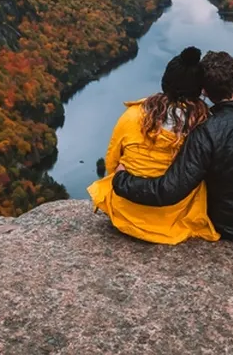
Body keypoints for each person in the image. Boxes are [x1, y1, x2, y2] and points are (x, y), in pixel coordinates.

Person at [113, 50, 233, 242]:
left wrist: (121, 181)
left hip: (229, 226)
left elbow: (169, 190)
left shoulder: (207, 131)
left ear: (205, 92)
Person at [86, 47, 220, 244]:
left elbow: (112, 162)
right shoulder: (204, 126)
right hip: (176, 218)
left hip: (127, 213)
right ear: (198, 90)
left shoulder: (132, 116)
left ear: (165, 83)